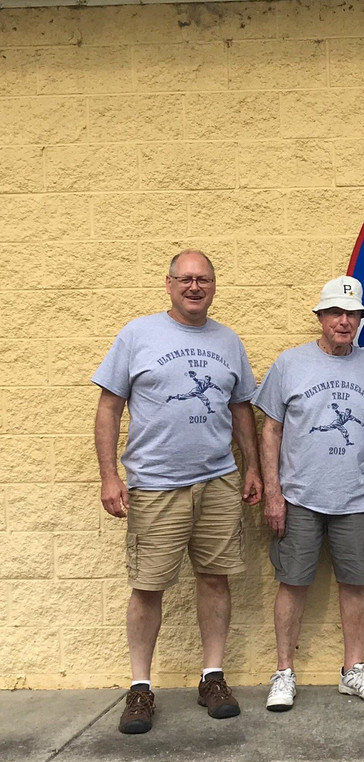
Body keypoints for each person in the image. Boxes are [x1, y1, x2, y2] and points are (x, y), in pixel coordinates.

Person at [93, 249, 263, 735]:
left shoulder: (228, 341)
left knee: (215, 577)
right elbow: (109, 408)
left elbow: (240, 411)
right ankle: (140, 687)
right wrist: (109, 475)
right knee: (148, 585)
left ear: (213, 286)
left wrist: (250, 469)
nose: (194, 287)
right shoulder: (137, 334)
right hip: (155, 483)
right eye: (185, 279)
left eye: (203, 279)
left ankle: (212, 677)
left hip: (218, 481)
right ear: (168, 284)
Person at [254, 276, 364, 712]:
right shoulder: (290, 364)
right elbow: (271, 429)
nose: (344, 321)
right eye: (336, 313)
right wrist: (273, 494)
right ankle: (283, 673)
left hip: (354, 497)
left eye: (352, 314)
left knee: (356, 582)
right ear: (320, 317)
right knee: (293, 582)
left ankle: (353, 670)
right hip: (299, 496)